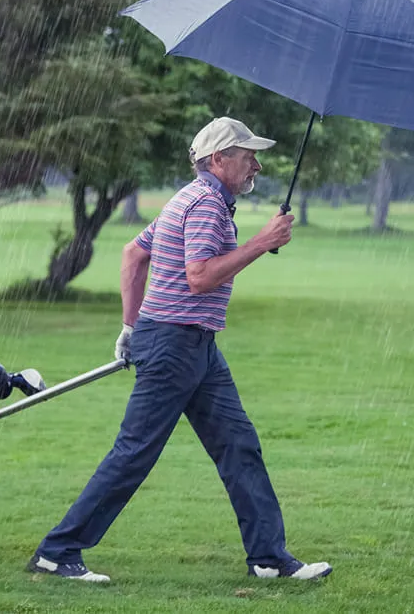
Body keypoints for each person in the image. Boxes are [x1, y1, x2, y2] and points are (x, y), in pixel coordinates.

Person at [27, 116, 332, 584]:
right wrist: (262, 242)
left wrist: (131, 328)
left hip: (192, 345)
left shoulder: (187, 198)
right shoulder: (207, 204)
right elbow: (200, 276)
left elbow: (133, 255)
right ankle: (58, 551)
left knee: (238, 445)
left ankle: (269, 558)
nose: (257, 165)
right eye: (248, 156)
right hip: (175, 344)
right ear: (218, 160)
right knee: (134, 453)